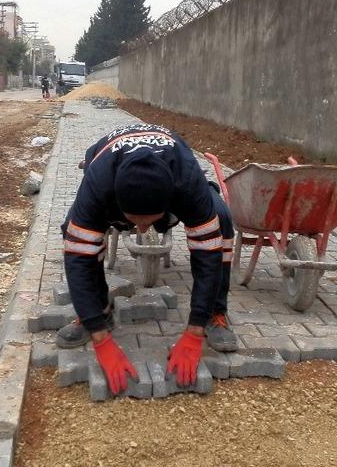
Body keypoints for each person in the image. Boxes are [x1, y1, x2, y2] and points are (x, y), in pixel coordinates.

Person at [58, 124, 237, 395]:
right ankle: (99, 312)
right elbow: (77, 259)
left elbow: (207, 256)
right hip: (107, 165)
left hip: (175, 163)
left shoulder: (187, 180)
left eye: (149, 222)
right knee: (75, 233)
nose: (142, 230)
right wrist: (99, 337)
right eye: (134, 222)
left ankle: (216, 313)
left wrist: (195, 330)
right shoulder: (98, 183)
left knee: (221, 222)